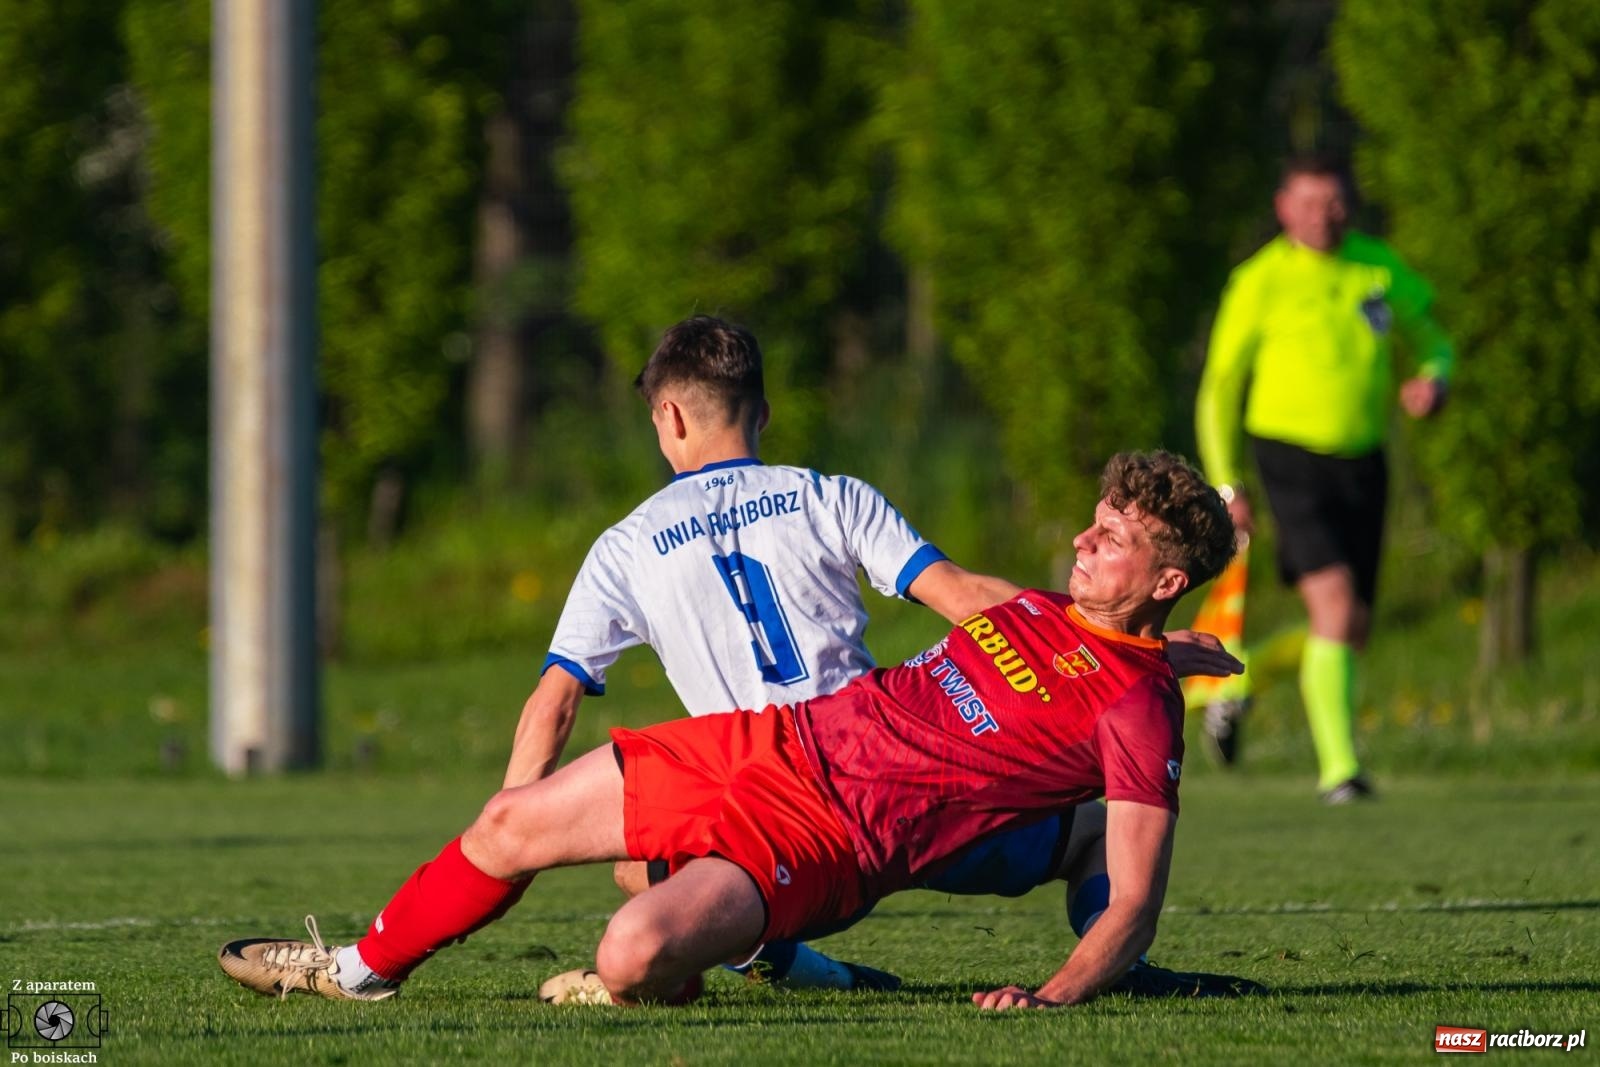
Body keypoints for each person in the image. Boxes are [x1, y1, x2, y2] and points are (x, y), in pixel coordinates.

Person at [217, 450, 1253, 1009]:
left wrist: (1053, 995)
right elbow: (1021, 613)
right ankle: (353, 971)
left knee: (627, 953)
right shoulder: (1036, 610)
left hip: (826, 843)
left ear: (1161, 577)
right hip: (764, 743)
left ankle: (702, 968)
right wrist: (1169, 634)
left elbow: (1134, 897)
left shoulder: (1135, 705)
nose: (1082, 538)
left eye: (1111, 538)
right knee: (509, 820)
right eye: (1093, 518)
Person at [502, 315, 1237, 991]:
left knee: (642, 865)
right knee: (1092, 833)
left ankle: (798, 968)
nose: (1083, 542)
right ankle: (1120, 968)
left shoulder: (627, 544)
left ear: (668, 416)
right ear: (762, 413)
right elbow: (971, 598)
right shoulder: (829, 498)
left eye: (1108, 539)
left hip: (773, 809)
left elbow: (554, 701)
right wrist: (1139, 647)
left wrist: (512, 834)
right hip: (905, 785)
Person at [1195, 154, 1456, 802]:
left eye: (1334, 201)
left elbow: (1433, 341)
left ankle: (1240, 679)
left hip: (1364, 459)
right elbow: (1218, 391)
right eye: (1309, 203)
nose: (1323, 215)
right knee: (1334, 605)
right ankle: (1342, 772)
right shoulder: (1260, 280)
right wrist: (1228, 485)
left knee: (1350, 628)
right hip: (1288, 457)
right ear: (1284, 207)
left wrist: (1434, 377)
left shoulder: (1377, 265)